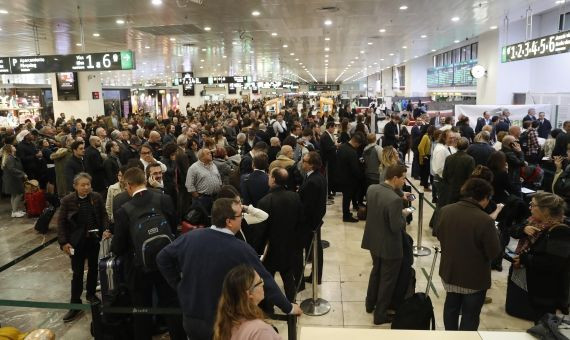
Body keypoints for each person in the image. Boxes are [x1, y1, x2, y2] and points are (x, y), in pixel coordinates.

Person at [156, 198, 302, 340]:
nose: (242, 218)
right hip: (221, 322)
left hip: (191, 318)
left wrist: (179, 284)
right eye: (239, 215)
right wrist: (288, 307)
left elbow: (162, 258)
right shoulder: (241, 249)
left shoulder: (190, 237)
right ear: (229, 221)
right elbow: (265, 281)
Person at [110, 167, 185, 340]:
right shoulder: (164, 199)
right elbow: (174, 228)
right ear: (145, 180)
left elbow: (118, 247)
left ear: (128, 185)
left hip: (138, 270)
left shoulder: (124, 210)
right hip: (165, 263)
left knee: (141, 311)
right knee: (172, 306)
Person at [436, 178, 501, 331]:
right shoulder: (485, 220)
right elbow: (493, 252)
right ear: (484, 197)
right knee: (470, 315)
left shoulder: (446, 210)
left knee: (451, 308)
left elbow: (439, 234)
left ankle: (450, 335)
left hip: (450, 272)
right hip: (474, 278)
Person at [507, 192, 570, 321]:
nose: (530, 207)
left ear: (545, 210)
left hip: (544, 291)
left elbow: (553, 263)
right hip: (533, 285)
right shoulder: (534, 220)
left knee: (540, 323)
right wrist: (523, 229)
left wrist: (525, 258)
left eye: (533, 205)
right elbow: (513, 229)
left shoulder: (560, 231)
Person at [361, 164, 411, 325]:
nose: (404, 181)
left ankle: (370, 304)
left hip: (373, 240)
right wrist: (403, 214)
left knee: (376, 272)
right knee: (387, 280)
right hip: (390, 245)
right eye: (403, 178)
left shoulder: (372, 189)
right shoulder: (394, 200)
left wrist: (400, 195)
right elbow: (396, 226)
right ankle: (380, 315)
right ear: (395, 178)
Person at [57, 173, 110, 322]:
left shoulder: (96, 197)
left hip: (93, 240)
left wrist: (105, 229)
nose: (86, 187)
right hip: (76, 242)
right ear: (75, 186)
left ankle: (91, 294)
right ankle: (75, 304)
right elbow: (61, 223)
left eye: (88, 184)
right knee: (77, 273)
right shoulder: (67, 201)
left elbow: (104, 215)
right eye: (83, 185)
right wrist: (63, 242)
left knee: (94, 268)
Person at [257, 167, 303, 303]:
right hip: (289, 245)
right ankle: (292, 304)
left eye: (270, 176)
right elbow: (300, 221)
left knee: (268, 280)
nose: (268, 178)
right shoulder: (295, 196)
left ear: (274, 180)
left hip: (271, 248)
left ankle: (268, 307)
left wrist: (258, 249)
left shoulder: (265, 201)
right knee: (288, 277)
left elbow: (261, 230)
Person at [213, 265, 282, 340]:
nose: (263, 284)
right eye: (260, 282)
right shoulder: (260, 331)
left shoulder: (226, 324)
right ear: (249, 294)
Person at [298, 152, 327, 287]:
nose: (302, 162)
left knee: (314, 249)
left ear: (311, 165)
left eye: (304, 161)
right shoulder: (316, 177)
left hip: (310, 223)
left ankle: (316, 276)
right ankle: (316, 274)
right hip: (315, 220)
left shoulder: (313, 181)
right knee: (316, 249)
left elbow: (308, 206)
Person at [336, 133, 365, 222]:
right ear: (356, 143)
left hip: (341, 175)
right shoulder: (352, 152)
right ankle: (346, 216)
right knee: (347, 197)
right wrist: (361, 176)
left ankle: (347, 213)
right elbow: (354, 169)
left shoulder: (342, 147)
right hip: (349, 178)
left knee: (346, 197)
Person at [439, 137, 475, 207]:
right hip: (462, 191)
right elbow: (470, 178)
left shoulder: (449, 158)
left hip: (449, 190)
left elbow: (444, 175)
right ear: (467, 146)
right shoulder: (470, 159)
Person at [186, 148, 222, 213]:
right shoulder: (193, 168)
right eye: (208, 153)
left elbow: (218, 176)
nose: (211, 154)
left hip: (216, 197)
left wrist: (219, 185)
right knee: (204, 219)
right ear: (201, 157)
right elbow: (189, 185)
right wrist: (198, 198)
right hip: (203, 198)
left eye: (210, 153)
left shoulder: (213, 165)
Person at [1, 144, 27, 217]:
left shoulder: (11, 157)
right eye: (12, 147)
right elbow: (12, 169)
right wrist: (22, 174)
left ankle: (14, 211)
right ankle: (14, 212)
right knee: (19, 193)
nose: (14, 147)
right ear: (10, 149)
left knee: (14, 195)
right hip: (13, 179)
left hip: (13, 178)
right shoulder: (10, 157)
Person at [320, 121, 338, 199]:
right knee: (327, 177)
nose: (334, 129)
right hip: (327, 160)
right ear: (330, 127)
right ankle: (327, 193)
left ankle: (329, 192)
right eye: (334, 127)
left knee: (330, 176)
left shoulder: (328, 135)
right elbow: (327, 148)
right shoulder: (325, 136)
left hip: (330, 160)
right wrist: (336, 146)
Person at [418, 125, 434, 191]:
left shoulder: (430, 137)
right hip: (425, 156)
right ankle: (425, 187)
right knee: (425, 172)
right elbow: (420, 147)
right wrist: (424, 155)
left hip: (428, 156)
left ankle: (424, 183)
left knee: (425, 172)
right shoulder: (425, 136)